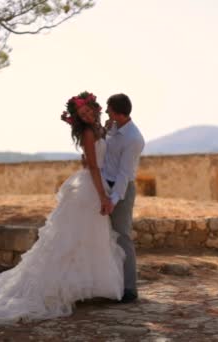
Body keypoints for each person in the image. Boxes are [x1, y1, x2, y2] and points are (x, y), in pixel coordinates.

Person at [0, 91, 125, 325]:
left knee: (89, 238)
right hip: (91, 189)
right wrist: (103, 196)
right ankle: (59, 289)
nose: (86, 115)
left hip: (94, 186)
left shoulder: (100, 128)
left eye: (88, 110)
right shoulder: (87, 132)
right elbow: (93, 167)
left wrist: (106, 126)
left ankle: (86, 288)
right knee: (71, 240)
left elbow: (100, 153)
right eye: (82, 114)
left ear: (95, 107)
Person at [101, 93, 145, 303]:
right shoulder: (113, 127)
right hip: (103, 185)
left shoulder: (133, 138)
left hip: (121, 190)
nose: (106, 112)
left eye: (108, 109)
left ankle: (129, 288)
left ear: (117, 112)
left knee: (123, 236)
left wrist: (113, 199)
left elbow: (124, 174)